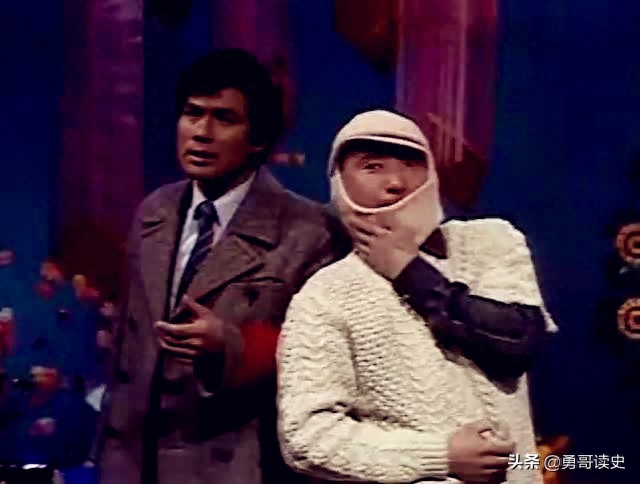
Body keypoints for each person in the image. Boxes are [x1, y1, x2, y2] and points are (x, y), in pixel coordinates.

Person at [97, 48, 348, 484]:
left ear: (258, 138)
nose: (202, 132)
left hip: (238, 466)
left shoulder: (309, 233)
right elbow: (124, 358)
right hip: (136, 465)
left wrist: (230, 346)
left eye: (224, 119)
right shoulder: (154, 213)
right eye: (192, 114)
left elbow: (327, 365)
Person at [277, 109, 558, 483]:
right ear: (339, 180)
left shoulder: (490, 241)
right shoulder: (325, 295)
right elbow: (307, 438)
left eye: (411, 164)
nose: (396, 182)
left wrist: (410, 271)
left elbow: (518, 341)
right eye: (372, 166)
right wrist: (440, 455)